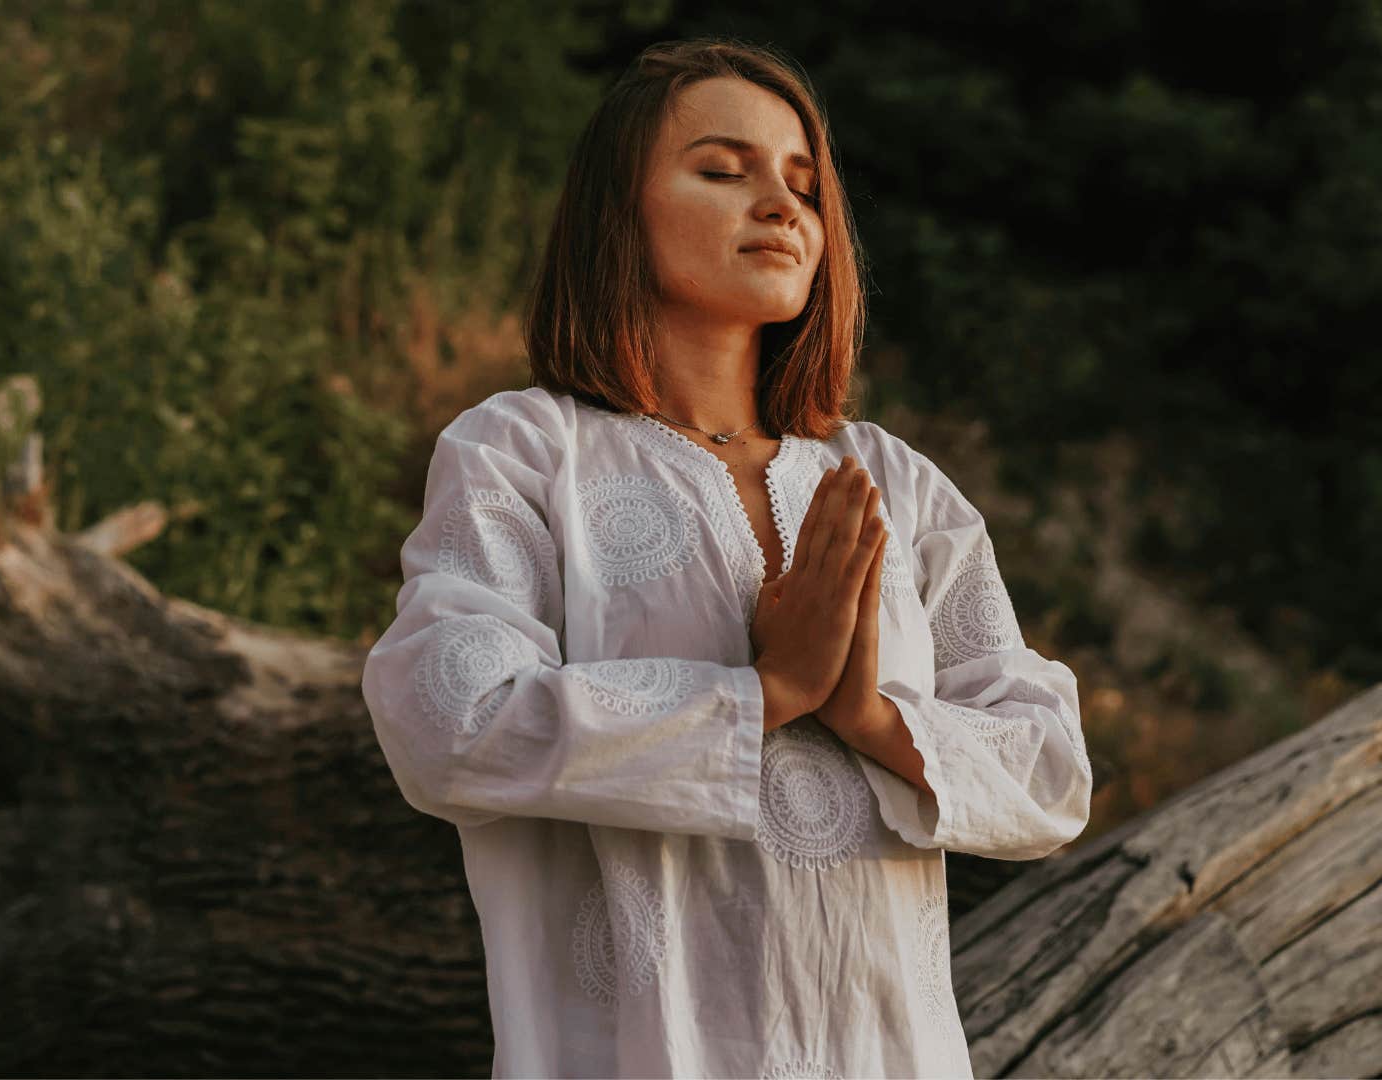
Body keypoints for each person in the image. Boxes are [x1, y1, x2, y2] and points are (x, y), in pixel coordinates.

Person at [360, 35, 1092, 1079]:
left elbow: (1051, 772)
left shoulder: (895, 481)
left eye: (803, 183)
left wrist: (869, 716)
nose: (782, 205)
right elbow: (446, 717)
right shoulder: (525, 451)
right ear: (620, 212)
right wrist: (764, 693)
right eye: (720, 170)